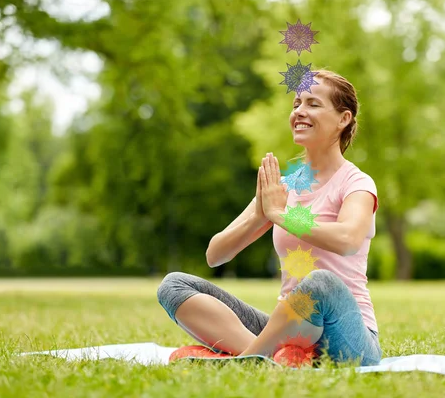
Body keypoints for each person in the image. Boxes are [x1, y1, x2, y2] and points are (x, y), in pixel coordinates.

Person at [157, 70, 382, 367]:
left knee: (321, 282)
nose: (300, 111)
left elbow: (348, 240)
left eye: (313, 104)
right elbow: (215, 254)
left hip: (347, 337)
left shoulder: (357, 183)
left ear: (343, 119)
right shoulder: (284, 186)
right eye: (296, 104)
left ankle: (250, 357)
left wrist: (281, 215)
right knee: (174, 285)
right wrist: (261, 215)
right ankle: (268, 354)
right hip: (288, 326)